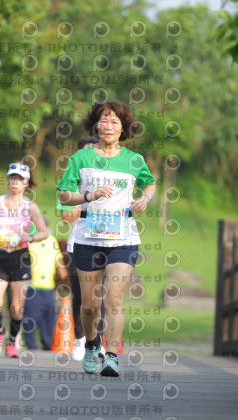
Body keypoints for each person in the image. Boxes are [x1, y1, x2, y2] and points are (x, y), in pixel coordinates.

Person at [57, 100, 156, 377]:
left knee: (114, 298)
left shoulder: (134, 160)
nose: (109, 126)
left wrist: (145, 199)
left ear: (123, 128)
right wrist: (89, 196)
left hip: (123, 238)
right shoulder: (81, 158)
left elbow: (150, 183)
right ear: (96, 125)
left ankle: (111, 356)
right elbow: (65, 195)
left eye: (115, 122)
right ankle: (91, 344)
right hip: (87, 237)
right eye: (104, 120)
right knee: (89, 305)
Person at [0, 162, 49, 357]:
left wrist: (31, 237)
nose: (15, 182)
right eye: (12, 178)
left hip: (20, 258)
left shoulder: (30, 207)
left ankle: (13, 341)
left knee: (17, 308)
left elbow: (44, 232)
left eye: (19, 179)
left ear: (26, 183)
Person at [56, 136, 107, 361]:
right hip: (77, 244)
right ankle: (80, 340)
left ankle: (99, 341)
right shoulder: (72, 183)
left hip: (104, 243)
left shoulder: (109, 181)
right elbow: (66, 216)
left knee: (100, 295)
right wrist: (89, 201)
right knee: (81, 297)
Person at [22, 219, 69, 350]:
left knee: (48, 317)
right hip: (33, 286)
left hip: (48, 286)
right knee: (31, 316)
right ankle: (31, 344)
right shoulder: (29, 241)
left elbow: (57, 257)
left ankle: (47, 343)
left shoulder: (52, 240)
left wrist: (62, 270)